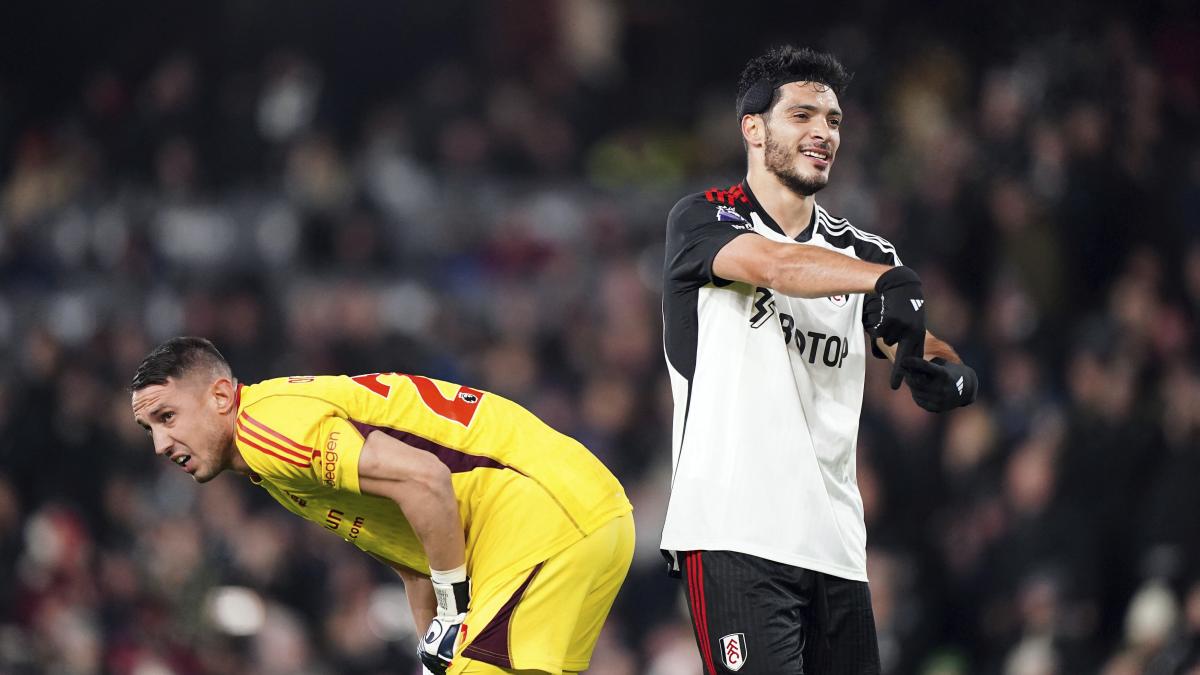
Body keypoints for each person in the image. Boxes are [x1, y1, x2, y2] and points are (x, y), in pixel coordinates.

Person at [659, 45, 978, 674]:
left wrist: (948, 370)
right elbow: (775, 264)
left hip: (836, 546)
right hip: (733, 534)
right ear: (753, 129)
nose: (823, 133)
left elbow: (908, 337)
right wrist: (882, 279)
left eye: (833, 121)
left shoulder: (860, 250)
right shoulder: (704, 218)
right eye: (802, 115)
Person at [129, 336, 634, 675]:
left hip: (541, 523)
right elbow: (418, 557)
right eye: (149, 428)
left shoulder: (265, 430)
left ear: (220, 396)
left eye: (168, 416)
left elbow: (427, 480)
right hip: (587, 516)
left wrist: (454, 613)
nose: (159, 444)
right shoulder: (270, 454)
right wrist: (432, 647)